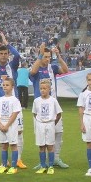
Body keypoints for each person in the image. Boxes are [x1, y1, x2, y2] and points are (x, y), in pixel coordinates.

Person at [29, 41, 70, 169]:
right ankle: (42, 162)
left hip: (53, 106)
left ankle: (56, 159)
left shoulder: (52, 68)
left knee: (58, 133)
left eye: (48, 57)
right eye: (45, 57)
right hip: (40, 108)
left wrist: (58, 56)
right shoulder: (37, 68)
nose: (47, 59)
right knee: (41, 136)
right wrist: (40, 56)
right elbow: (33, 72)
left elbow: (65, 70)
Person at [32, 79, 62, 174]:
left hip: (50, 124)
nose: (42, 90)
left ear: (49, 89)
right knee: (41, 146)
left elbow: (59, 113)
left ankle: (51, 166)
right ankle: (43, 166)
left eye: (44, 88)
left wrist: (53, 123)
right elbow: (34, 113)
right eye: (41, 88)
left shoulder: (53, 100)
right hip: (40, 125)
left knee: (50, 146)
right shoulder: (36, 101)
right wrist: (40, 121)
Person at [0, 77, 22, 174]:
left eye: (7, 85)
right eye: (4, 85)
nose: (5, 87)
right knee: (3, 145)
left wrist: (7, 125)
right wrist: (0, 125)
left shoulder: (15, 100)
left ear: (12, 87)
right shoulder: (0, 99)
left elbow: (15, 113)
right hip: (1, 126)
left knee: (13, 145)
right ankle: (4, 165)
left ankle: (13, 167)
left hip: (11, 126)